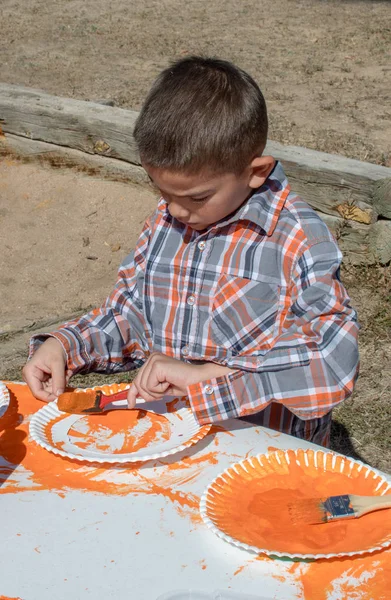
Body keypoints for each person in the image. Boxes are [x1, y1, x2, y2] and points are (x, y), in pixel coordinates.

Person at [23, 56, 359, 447]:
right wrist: (65, 345)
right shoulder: (166, 221)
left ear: (257, 171)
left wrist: (208, 376)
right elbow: (130, 316)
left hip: (262, 453)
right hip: (168, 444)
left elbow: (332, 360)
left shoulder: (298, 238)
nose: (177, 210)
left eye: (197, 196)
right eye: (162, 191)